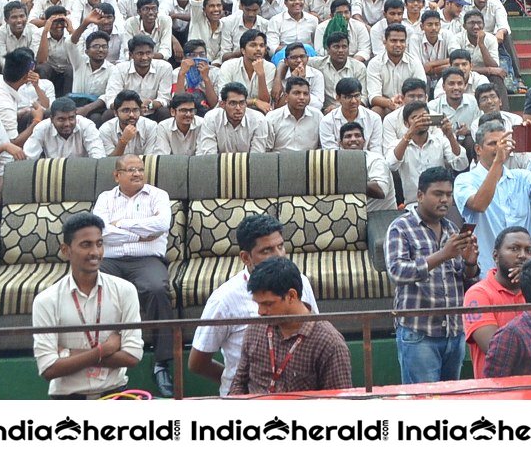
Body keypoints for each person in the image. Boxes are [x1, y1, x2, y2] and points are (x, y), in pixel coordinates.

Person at [190, 213, 317, 396]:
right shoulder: (223, 300)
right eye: (267, 251)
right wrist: (238, 381)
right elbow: (198, 363)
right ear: (246, 257)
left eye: (281, 246)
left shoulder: (301, 283)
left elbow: (315, 329)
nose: (279, 256)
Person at [90, 154, 176, 396]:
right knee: (91, 288)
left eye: (140, 169)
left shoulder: (158, 196)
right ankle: (99, 358)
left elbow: (161, 225)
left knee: (157, 289)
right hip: (110, 260)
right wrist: (138, 234)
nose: (137, 174)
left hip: (147, 259)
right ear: (117, 175)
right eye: (131, 170)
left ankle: (162, 363)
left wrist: (120, 225)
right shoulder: (105, 199)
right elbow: (99, 229)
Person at [385, 166, 480, 383]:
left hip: (454, 333)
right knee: (423, 406)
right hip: (419, 333)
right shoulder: (400, 228)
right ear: (420, 195)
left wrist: (470, 264)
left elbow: (466, 281)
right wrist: (443, 255)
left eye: (448, 194)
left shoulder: (452, 230)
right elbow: (397, 272)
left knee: (449, 403)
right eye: (438, 194)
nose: (445, 200)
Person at [32, 212, 143, 399]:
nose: (95, 252)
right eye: (86, 245)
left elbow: (132, 357)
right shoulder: (46, 301)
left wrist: (69, 354)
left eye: (99, 244)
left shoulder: (125, 291)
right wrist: (103, 350)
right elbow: (48, 369)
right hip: (68, 400)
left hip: (115, 396)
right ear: (66, 250)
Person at [229, 257, 352, 395]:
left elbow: (338, 405)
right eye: (258, 304)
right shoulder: (254, 330)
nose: (260, 312)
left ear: (291, 296)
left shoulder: (329, 344)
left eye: (268, 304)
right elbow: (239, 383)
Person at [455, 118, 531, 273]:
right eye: (493, 143)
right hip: (488, 271)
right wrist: (498, 162)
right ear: (478, 149)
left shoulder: (520, 177)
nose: (499, 147)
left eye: (503, 143)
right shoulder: (465, 179)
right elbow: (479, 204)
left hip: (525, 272)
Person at [462, 226, 531, 378]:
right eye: (514, 249)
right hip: (495, 390)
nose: (522, 256)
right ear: (495, 256)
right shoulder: (478, 294)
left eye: (528, 251)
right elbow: (495, 349)